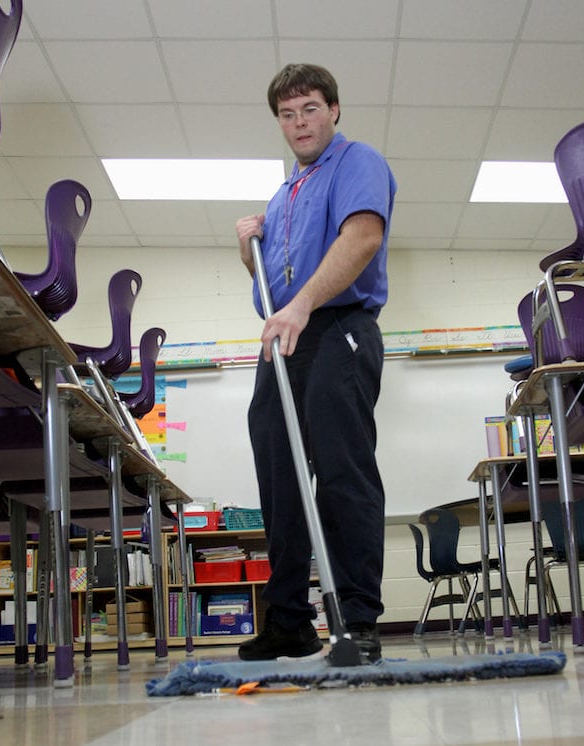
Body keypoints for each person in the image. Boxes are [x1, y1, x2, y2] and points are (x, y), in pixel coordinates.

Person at [235, 63, 396, 662]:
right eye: (287, 113)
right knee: (279, 480)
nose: (299, 122)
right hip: (285, 338)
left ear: (333, 109)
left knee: (341, 470)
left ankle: (356, 620)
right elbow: (275, 285)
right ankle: (289, 621)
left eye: (309, 108)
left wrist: (302, 306)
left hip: (338, 328)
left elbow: (362, 238)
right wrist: (248, 251)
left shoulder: (357, 161)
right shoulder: (284, 194)